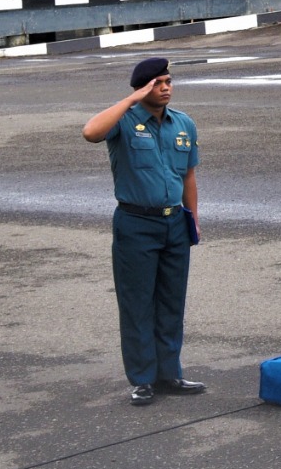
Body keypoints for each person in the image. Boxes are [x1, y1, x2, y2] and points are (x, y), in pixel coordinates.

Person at [84, 56, 206, 406]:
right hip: (136, 223)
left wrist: (193, 219)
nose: (166, 88)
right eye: (158, 83)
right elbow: (90, 132)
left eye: (168, 82)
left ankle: (169, 373)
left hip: (174, 223)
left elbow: (188, 176)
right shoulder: (123, 121)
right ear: (142, 88)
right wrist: (131, 99)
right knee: (137, 303)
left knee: (171, 301)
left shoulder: (183, 123)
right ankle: (142, 379)